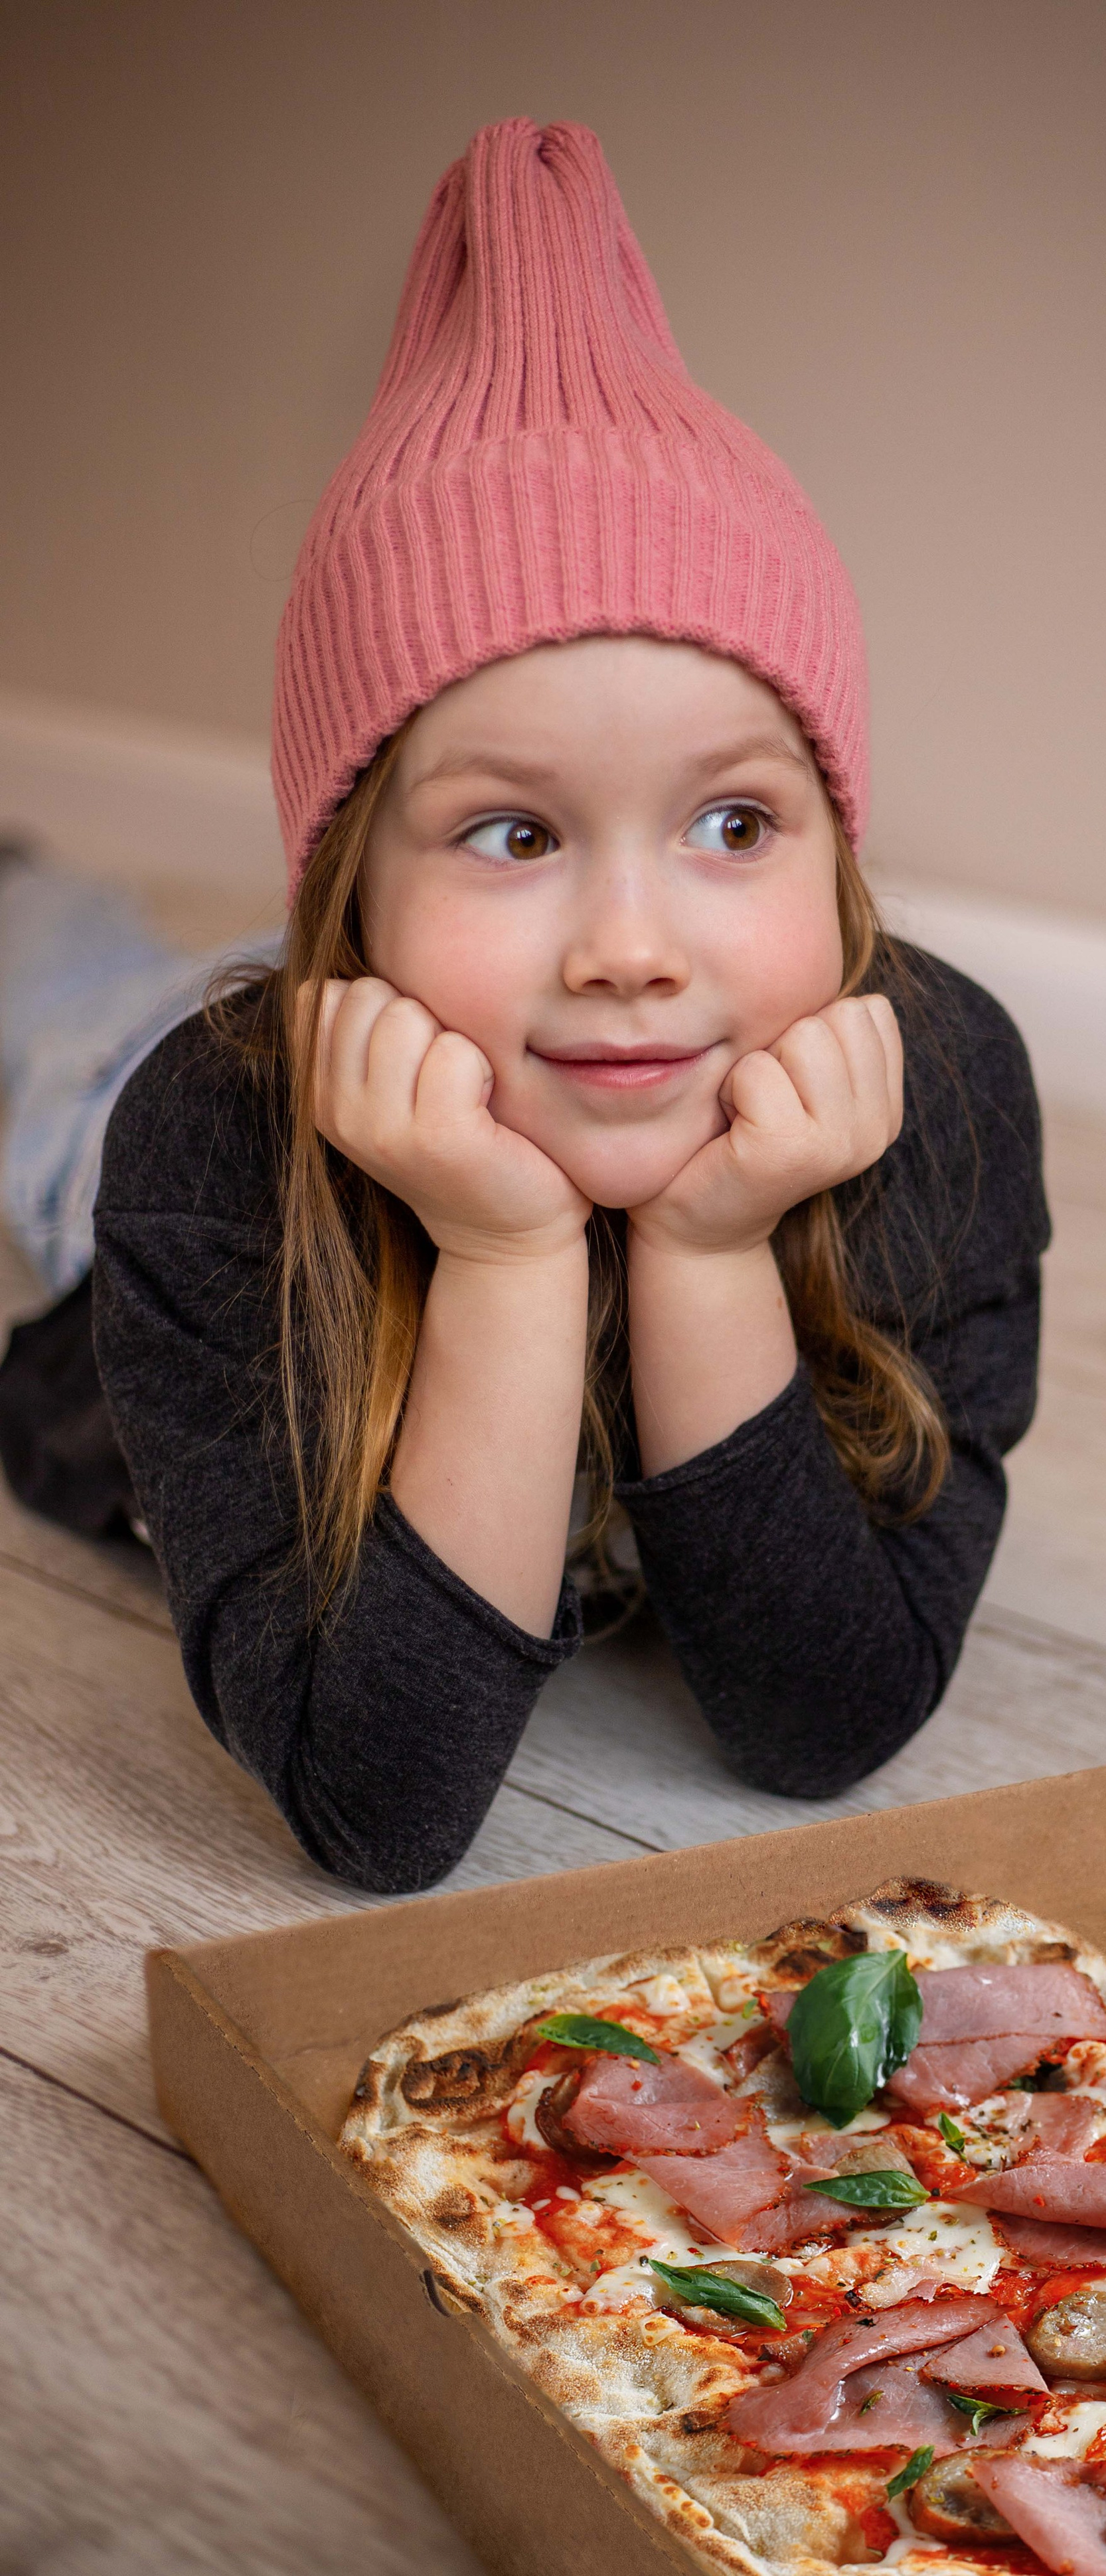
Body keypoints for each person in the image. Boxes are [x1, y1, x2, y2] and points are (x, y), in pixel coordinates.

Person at [1, 123, 1047, 1893]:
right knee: (63, 1029)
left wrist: (712, 1258)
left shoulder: (935, 1084)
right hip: (259, 1077)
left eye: (734, 824)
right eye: (518, 827)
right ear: (356, 889)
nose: (632, 942)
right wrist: (496, 1256)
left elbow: (823, 1716)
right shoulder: (213, 1139)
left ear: (836, 837)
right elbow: (379, 1811)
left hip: (469, 1020)